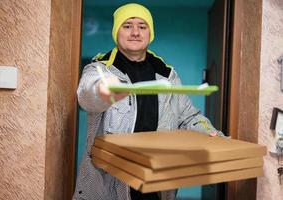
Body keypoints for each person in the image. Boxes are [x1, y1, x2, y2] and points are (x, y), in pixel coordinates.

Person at [73, 3, 223, 200]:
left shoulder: (167, 75)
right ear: (116, 31)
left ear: (149, 33)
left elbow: (189, 117)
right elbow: (86, 96)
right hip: (109, 184)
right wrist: (103, 91)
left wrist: (209, 132)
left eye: (142, 26)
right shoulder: (99, 70)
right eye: (127, 26)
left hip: (155, 183)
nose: (135, 32)